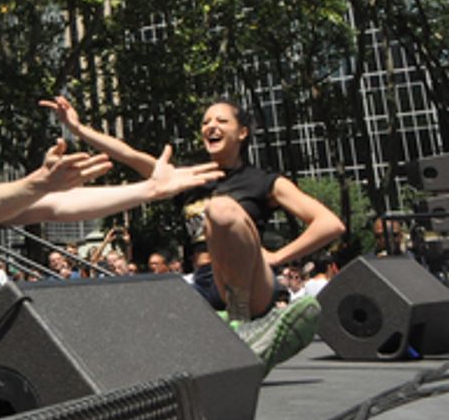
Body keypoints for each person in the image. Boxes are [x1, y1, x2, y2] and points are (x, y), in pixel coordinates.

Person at [0, 77, 224, 389]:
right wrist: (38, 182)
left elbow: (59, 205)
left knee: (61, 338)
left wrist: (150, 190)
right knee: (15, 350)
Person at [51, 96, 346, 372]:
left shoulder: (263, 181)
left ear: (242, 132)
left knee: (220, 209)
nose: (210, 127)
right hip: (204, 282)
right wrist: (77, 128)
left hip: (249, 285)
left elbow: (329, 223)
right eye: (205, 122)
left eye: (221, 121)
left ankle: (243, 321)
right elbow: (129, 155)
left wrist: (276, 257)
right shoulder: (191, 176)